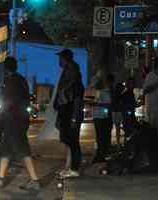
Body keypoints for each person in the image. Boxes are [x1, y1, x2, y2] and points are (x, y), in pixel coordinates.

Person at [0, 57, 41, 191]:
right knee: (5, 150)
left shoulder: (11, 82)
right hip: (19, 119)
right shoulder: (21, 80)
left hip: (13, 121)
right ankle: (0, 178)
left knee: (23, 150)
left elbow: (7, 103)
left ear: (5, 69)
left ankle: (34, 180)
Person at [53, 49, 85, 178]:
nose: (59, 61)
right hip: (67, 111)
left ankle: (74, 169)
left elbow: (76, 99)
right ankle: (69, 166)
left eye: (61, 58)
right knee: (68, 140)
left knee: (72, 141)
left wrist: (73, 117)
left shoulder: (75, 81)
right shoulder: (68, 79)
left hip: (71, 112)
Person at [91, 70, 113, 163]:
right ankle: (100, 155)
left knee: (101, 138)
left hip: (102, 117)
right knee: (100, 138)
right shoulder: (99, 91)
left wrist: (95, 103)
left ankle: (100, 156)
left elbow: (107, 104)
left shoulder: (104, 91)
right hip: (98, 117)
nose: (93, 84)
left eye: (95, 82)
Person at [143, 53, 158, 137]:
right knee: (152, 133)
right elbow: (145, 91)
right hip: (152, 110)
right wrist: (156, 85)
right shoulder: (150, 76)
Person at [111, 82, 125, 147]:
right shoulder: (120, 95)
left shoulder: (114, 94)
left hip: (114, 112)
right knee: (118, 127)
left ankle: (118, 142)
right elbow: (120, 104)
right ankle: (118, 142)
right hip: (117, 112)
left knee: (117, 127)